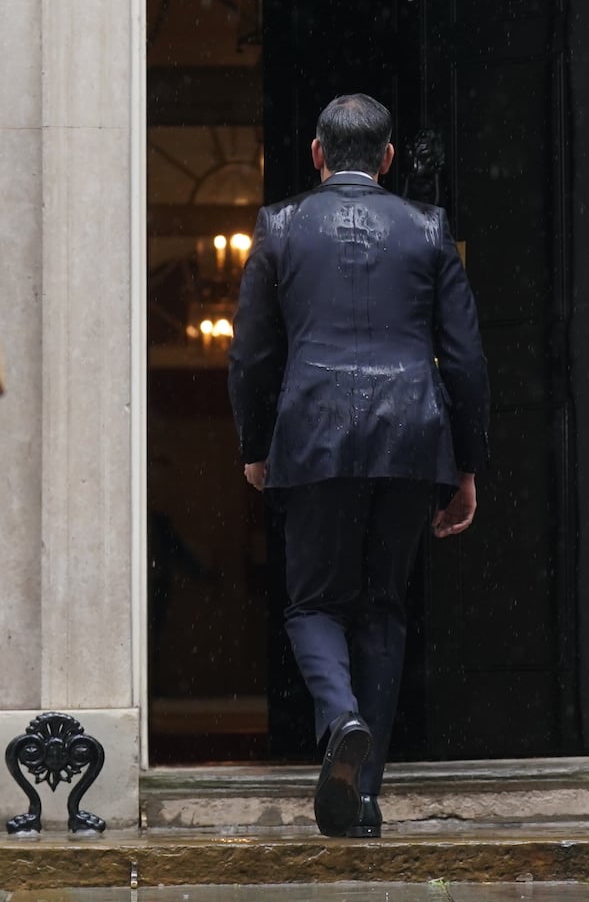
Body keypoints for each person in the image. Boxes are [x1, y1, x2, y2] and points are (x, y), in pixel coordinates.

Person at [228, 93, 489, 838]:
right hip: (410, 436)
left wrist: (255, 446)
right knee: (382, 607)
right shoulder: (428, 227)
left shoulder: (279, 227)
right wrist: (466, 463)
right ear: (387, 159)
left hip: (312, 436)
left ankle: (340, 716)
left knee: (313, 603)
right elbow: (467, 360)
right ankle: (363, 797)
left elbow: (250, 353)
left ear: (316, 154)